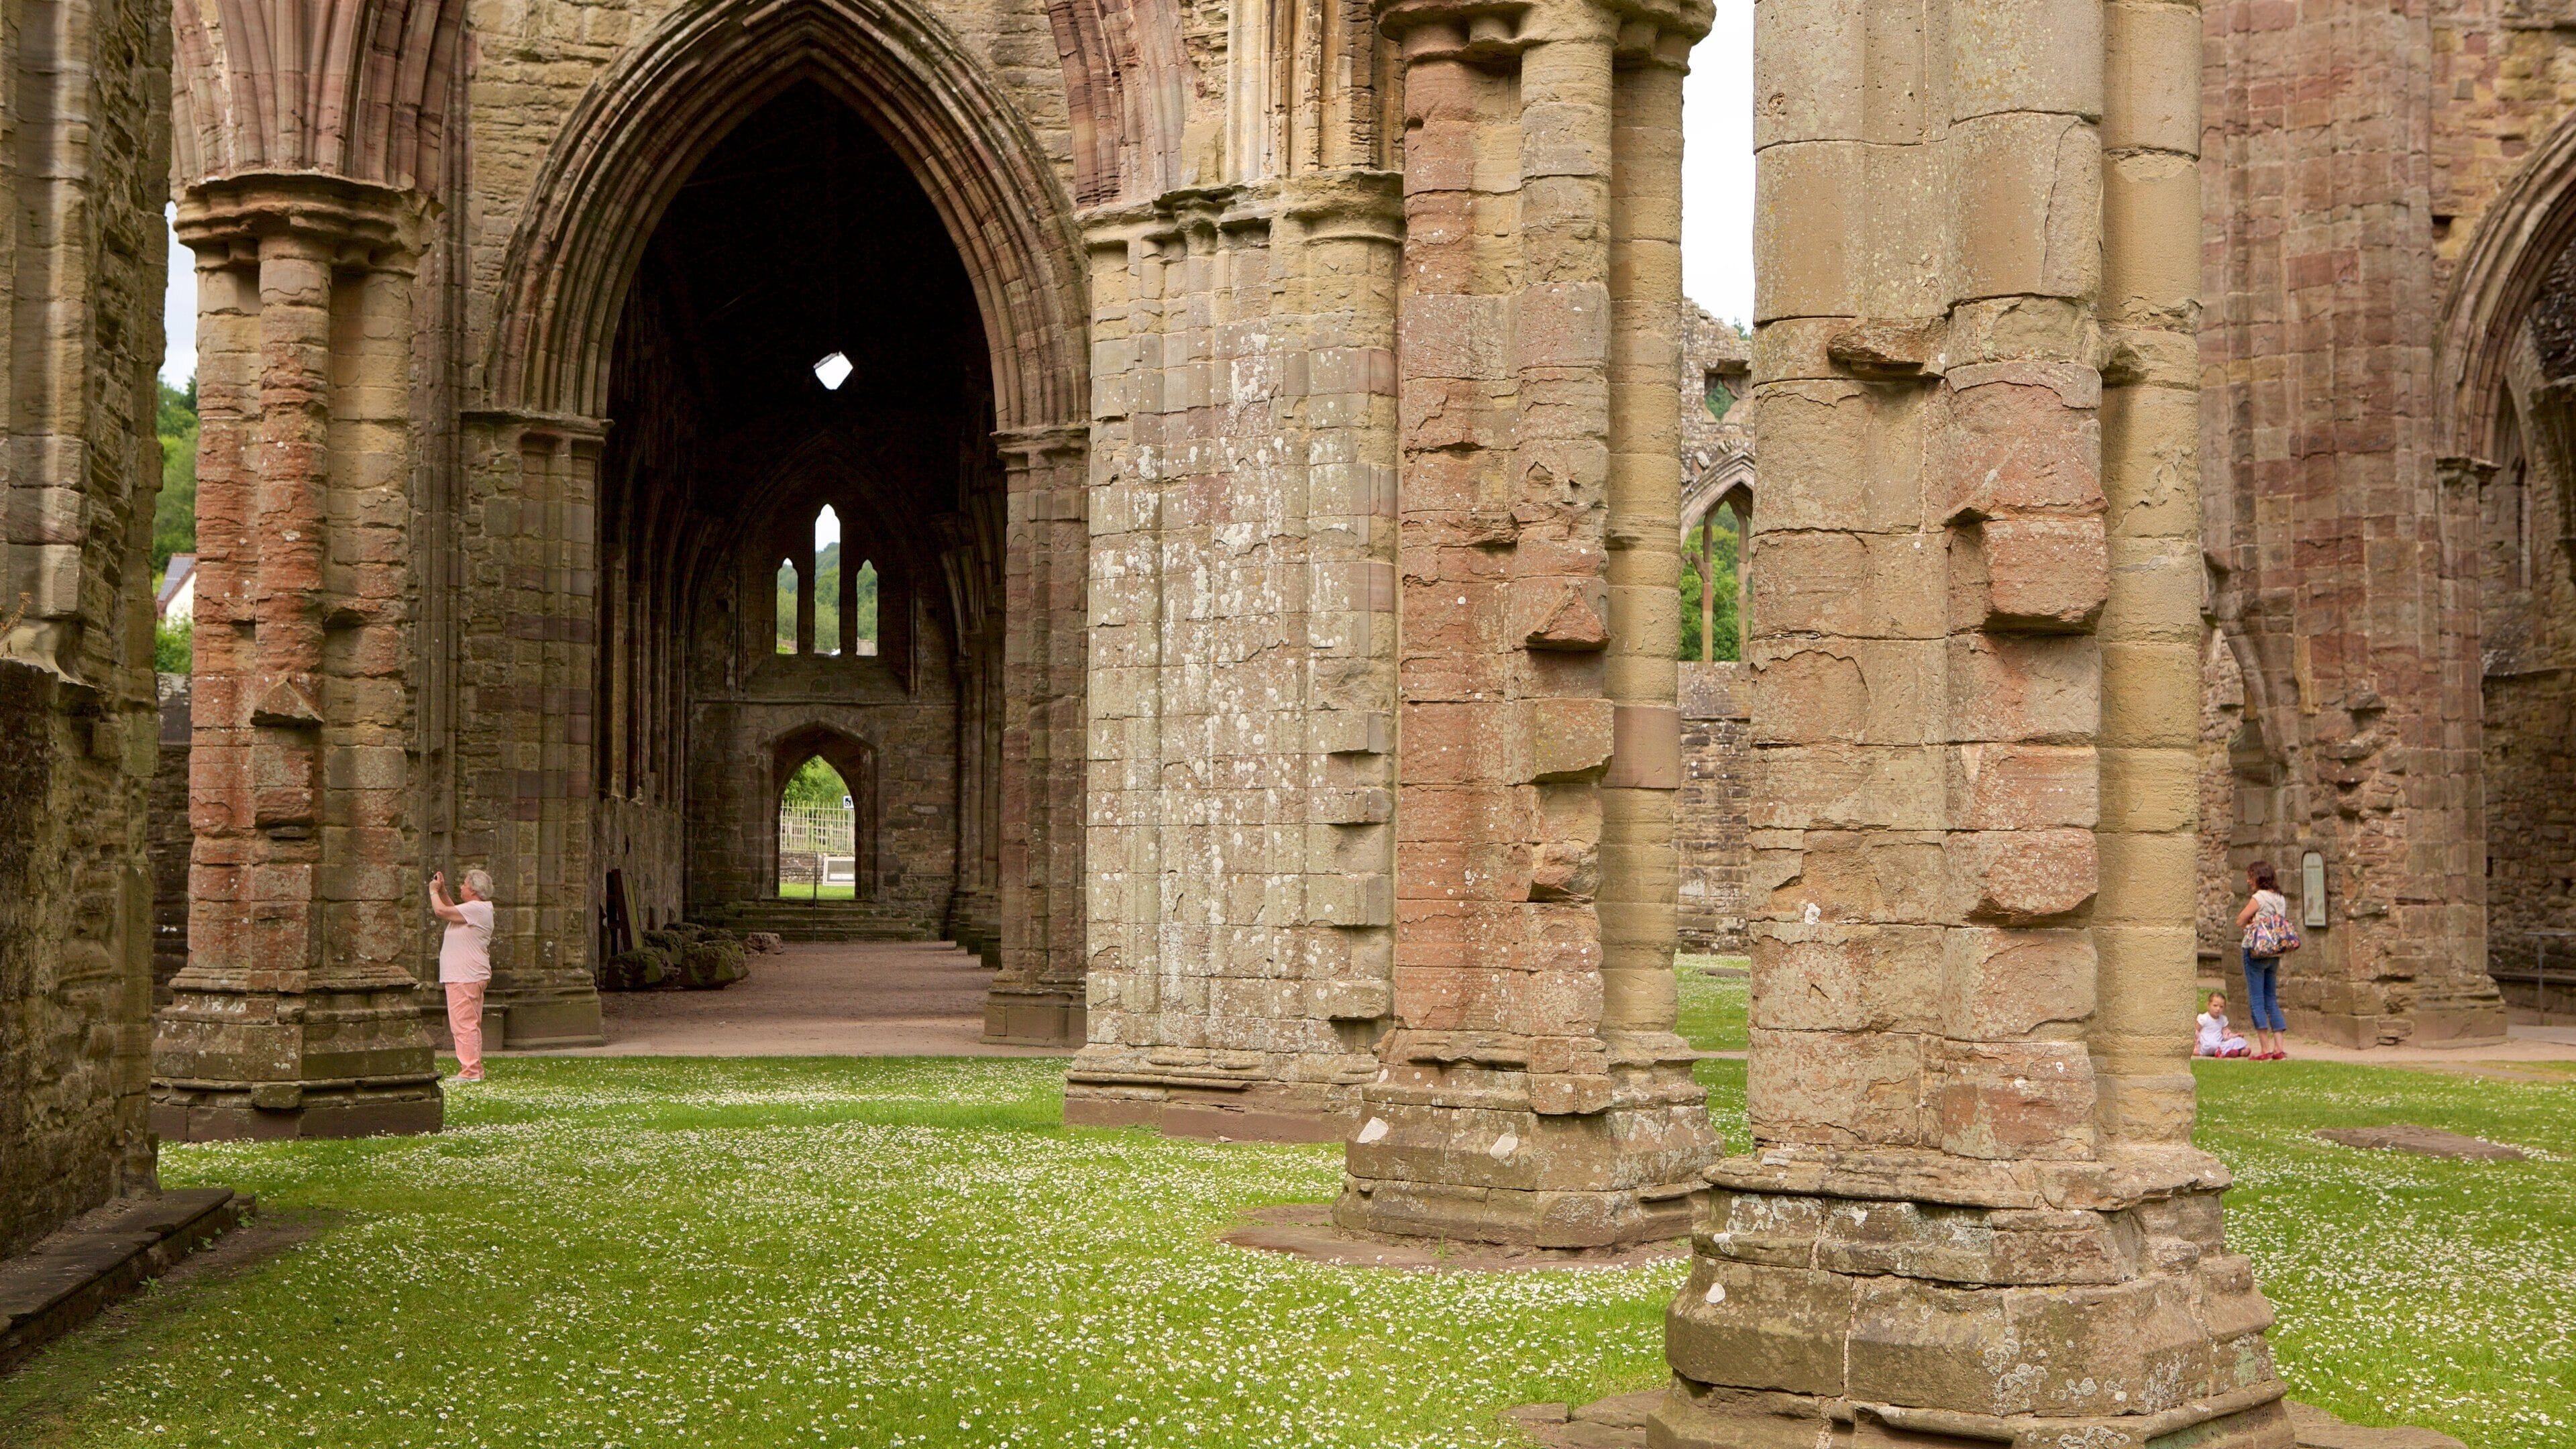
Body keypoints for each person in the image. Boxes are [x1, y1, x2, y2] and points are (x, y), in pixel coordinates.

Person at [430, 868, 496, 1083]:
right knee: (469, 1023)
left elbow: (441, 912)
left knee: (463, 1025)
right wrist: (444, 891)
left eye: (465, 884)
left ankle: (470, 1072)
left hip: (464, 975)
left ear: (474, 890)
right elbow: (452, 909)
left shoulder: (477, 909)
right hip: (469, 974)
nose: (462, 887)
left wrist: (433, 893)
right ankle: (474, 1069)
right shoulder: (476, 909)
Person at [2233, 861, 2292, 1061]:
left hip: (2256, 952)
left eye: (2251, 876)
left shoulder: (2259, 897)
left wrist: (2250, 925)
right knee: (2271, 999)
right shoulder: (2280, 898)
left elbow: (2241, 919)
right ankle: (2279, 1048)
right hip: (2274, 953)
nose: (2249, 881)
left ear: (2259, 877)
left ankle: (2265, 1049)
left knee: (2257, 1000)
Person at [2195, 991, 2252, 1059]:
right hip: (2207, 1045)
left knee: (2239, 1040)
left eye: (2221, 1007)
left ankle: (2230, 1052)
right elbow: (2195, 1032)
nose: (2218, 1009)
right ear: (2209, 1005)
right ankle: (2236, 1051)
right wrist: (2195, 1047)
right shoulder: (2204, 1018)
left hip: (2220, 1044)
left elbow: (2226, 1035)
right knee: (2212, 1045)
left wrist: (2235, 1036)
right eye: (2215, 1005)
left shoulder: (2223, 1019)